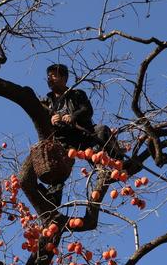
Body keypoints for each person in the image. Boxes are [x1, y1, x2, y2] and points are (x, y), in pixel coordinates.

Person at [39, 64, 122, 203]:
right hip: (63, 140)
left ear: (64, 78)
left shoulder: (77, 94)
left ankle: (118, 164)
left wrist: (74, 116)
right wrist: (50, 120)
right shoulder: (46, 101)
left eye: (54, 75)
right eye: (49, 76)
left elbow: (87, 110)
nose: (50, 79)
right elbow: (41, 122)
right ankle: (54, 196)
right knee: (58, 166)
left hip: (83, 134)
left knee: (101, 131)